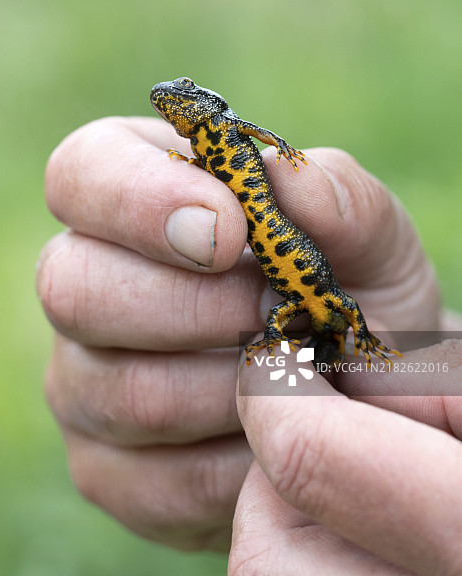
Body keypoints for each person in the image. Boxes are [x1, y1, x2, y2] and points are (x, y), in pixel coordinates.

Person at [36, 115, 462, 575]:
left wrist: (380, 342)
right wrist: (428, 330)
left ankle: (343, 349)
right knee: (296, 319)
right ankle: (314, 349)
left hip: (304, 279)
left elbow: (348, 311)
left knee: (330, 312)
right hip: (283, 259)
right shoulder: (209, 138)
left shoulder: (222, 124)